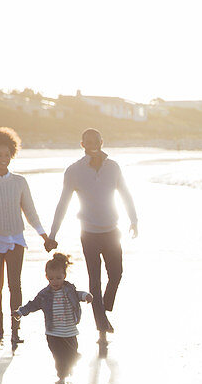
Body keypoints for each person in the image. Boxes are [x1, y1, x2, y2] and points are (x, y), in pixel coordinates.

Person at [47, 128, 138, 347]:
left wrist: (134, 219)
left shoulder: (113, 167)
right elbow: (63, 203)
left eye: (96, 140)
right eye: (87, 141)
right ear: (82, 144)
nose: (92, 144)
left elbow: (125, 193)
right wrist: (53, 234)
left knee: (116, 274)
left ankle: (103, 307)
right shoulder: (74, 171)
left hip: (111, 230)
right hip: (88, 232)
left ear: (102, 141)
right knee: (94, 280)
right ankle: (101, 324)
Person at [0, 127, 53, 347]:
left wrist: (44, 236)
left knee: (15, 285)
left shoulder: (20, 182)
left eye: (7, 155)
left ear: (12, 155)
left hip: (16, 239)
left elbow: (30, 211)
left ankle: (15, 327)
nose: (3, 159)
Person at [13, 253, 93, 383]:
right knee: (58, 356)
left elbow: (78, 295)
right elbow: (33, 304)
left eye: (58, 278)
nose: (55, 281)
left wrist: (86, 295)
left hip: (69, 331)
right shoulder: (45, 295)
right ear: (47, 277)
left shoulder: (69, 289)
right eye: (51, 279)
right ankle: (61, 375)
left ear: (64, 276)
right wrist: (20, 312)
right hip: (53, 332)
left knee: (72, 354)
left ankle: (72, 363)